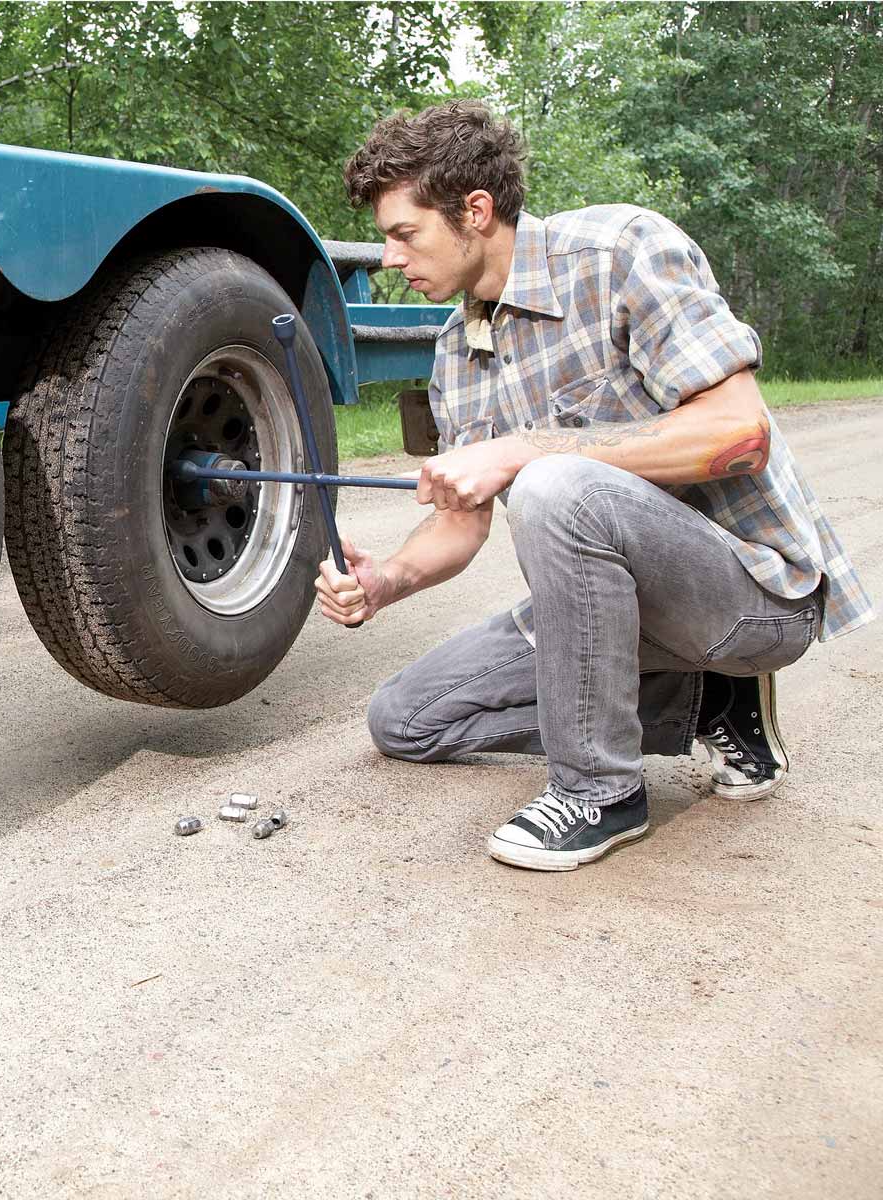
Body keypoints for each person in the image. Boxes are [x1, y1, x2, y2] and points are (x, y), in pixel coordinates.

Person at [316, 100, 874, 872]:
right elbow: (462, 523)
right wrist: (386, 580)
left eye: (404, 233)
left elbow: (740, 433)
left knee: (554, 483)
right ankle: (706, 701)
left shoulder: (622, 250)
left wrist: (524, 450)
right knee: (405, 721)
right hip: (608, 611)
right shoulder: (455, 350)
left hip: (752, 599)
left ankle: (599, 793)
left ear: (474, 210)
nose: (390, 256)